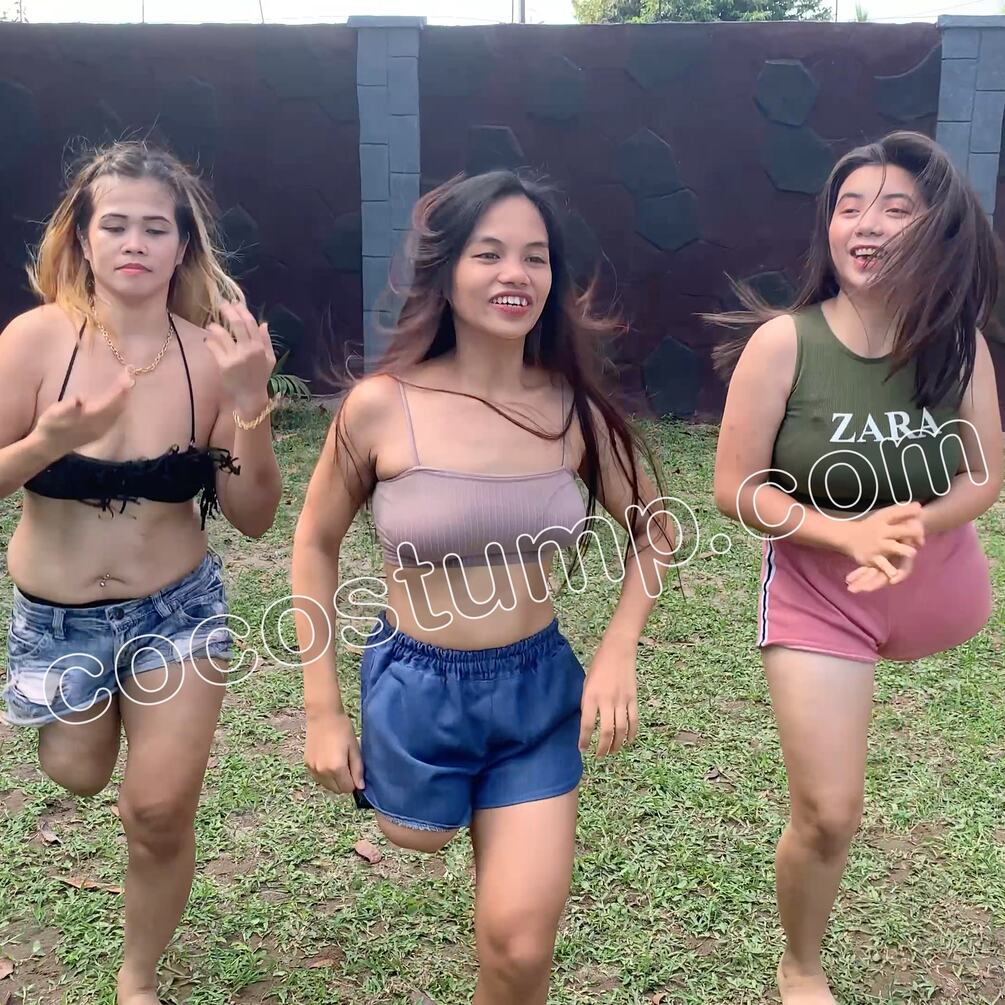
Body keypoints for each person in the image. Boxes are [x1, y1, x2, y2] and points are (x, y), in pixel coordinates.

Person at [292, 170, 674, 1005]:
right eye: (489, 253)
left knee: (519, 943)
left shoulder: (573, 412)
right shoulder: (380, 407)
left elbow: (656, 531)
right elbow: (314, 543)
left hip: (535, 693)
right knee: (412, 834)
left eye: (535, 257)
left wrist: (617, 652)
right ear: (446, 274)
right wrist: (322, 709)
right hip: (414, 686)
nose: (515, 274)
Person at [711, 131, 1002, 1004]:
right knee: (828, 813)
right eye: (848, 207)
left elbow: (983, 474)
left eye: (894, 208)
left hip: (932, 582)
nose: (866, 224)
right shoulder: (783, 343)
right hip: (819, 594)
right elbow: (734, 488)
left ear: (935, 229)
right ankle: (799, 965)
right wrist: (846, 536)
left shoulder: (957, 344)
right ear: (827, 228)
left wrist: (911, 523)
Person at [0, 141, 283, 1005]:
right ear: (83, 239)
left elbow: (254, 516)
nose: (134, 242)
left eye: (155, 228)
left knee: (157, 811)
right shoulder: (35, 342)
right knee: (78, 771)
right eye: (115, 224)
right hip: (58, 621)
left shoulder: (211, 356)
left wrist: (250, 403)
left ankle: (137, 976)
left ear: (182, 244)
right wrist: (46, 442)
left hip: (178, 613)